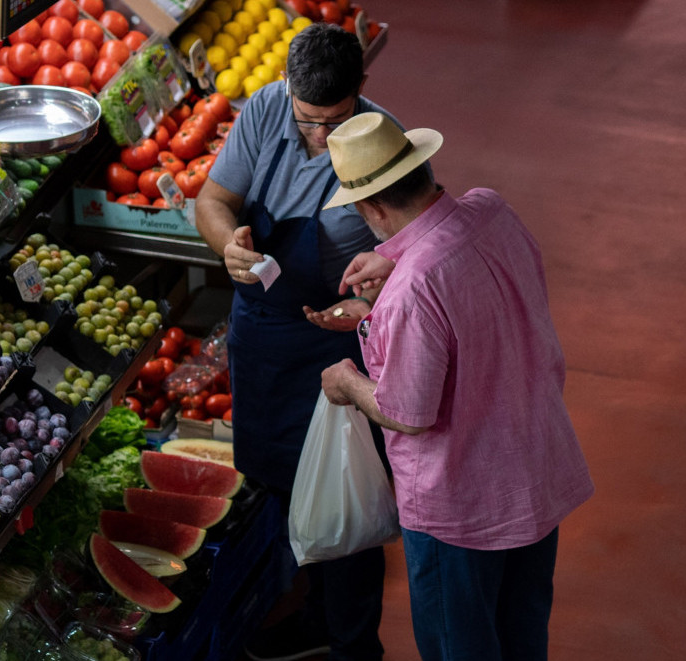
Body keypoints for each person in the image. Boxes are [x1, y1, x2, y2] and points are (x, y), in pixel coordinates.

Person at [319, 112, 595, 660]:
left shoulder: (413, 288)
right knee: (522, 637)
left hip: (462, 508)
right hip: (532, 471)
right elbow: (454, 259)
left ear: (370, 208)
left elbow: (409, 411)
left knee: (459, 648)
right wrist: (395, 262)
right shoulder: (491, 208)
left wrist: (348, 383)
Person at [195, 23, 400, 661]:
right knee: (286, 486)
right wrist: (227, 244)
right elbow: (214, 199)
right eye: (308, 120)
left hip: (339, 349)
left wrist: (365, 303)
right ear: (288, 90)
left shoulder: (387, 144)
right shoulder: (261, 110)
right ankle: (313, 615)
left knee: (351, 501)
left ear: (362, 91)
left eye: (334, 121)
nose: (319, 137)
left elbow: (412, 263)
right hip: (264, 339)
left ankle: (354, 642)